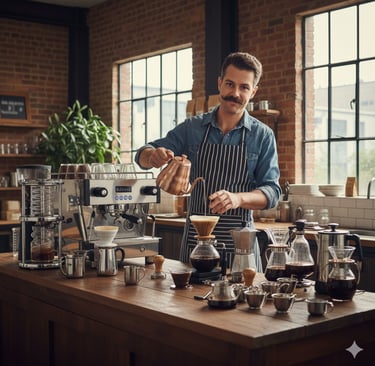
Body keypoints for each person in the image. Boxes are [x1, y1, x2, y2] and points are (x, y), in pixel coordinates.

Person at [135, 52, 281, 272]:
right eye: (230, 84)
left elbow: (272, 192)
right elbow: (143, 153)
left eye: (244, 87)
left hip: (239, 246)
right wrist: (152, 156)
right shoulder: (192, 128)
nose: (235, 93)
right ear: (220, 83)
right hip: (196, 243)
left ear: (253, 92)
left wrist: (237, 198)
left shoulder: (263, 136)